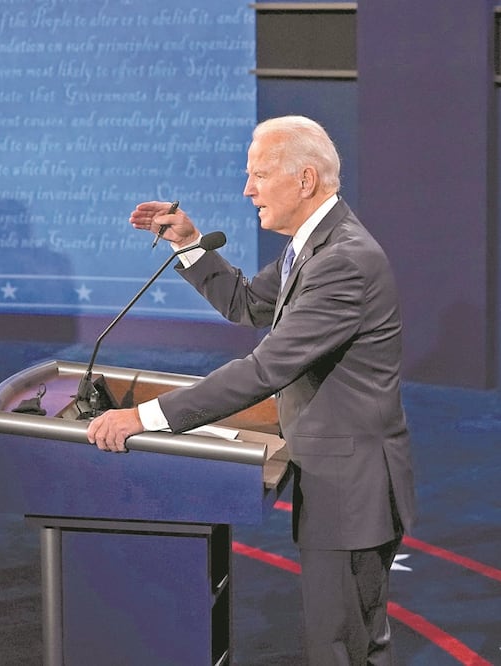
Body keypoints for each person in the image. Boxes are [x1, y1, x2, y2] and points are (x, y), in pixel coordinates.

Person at [86, 115, 417, 665]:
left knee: (343, 648)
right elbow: (249, 304)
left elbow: (266, 369)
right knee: (348, 643)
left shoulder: (342, 262)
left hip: (352, 487)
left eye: (259, 174)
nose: (247, 189)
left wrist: (145, 418)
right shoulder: (312, 248)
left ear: (305, 180)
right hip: (341, 478)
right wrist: (190, 243)